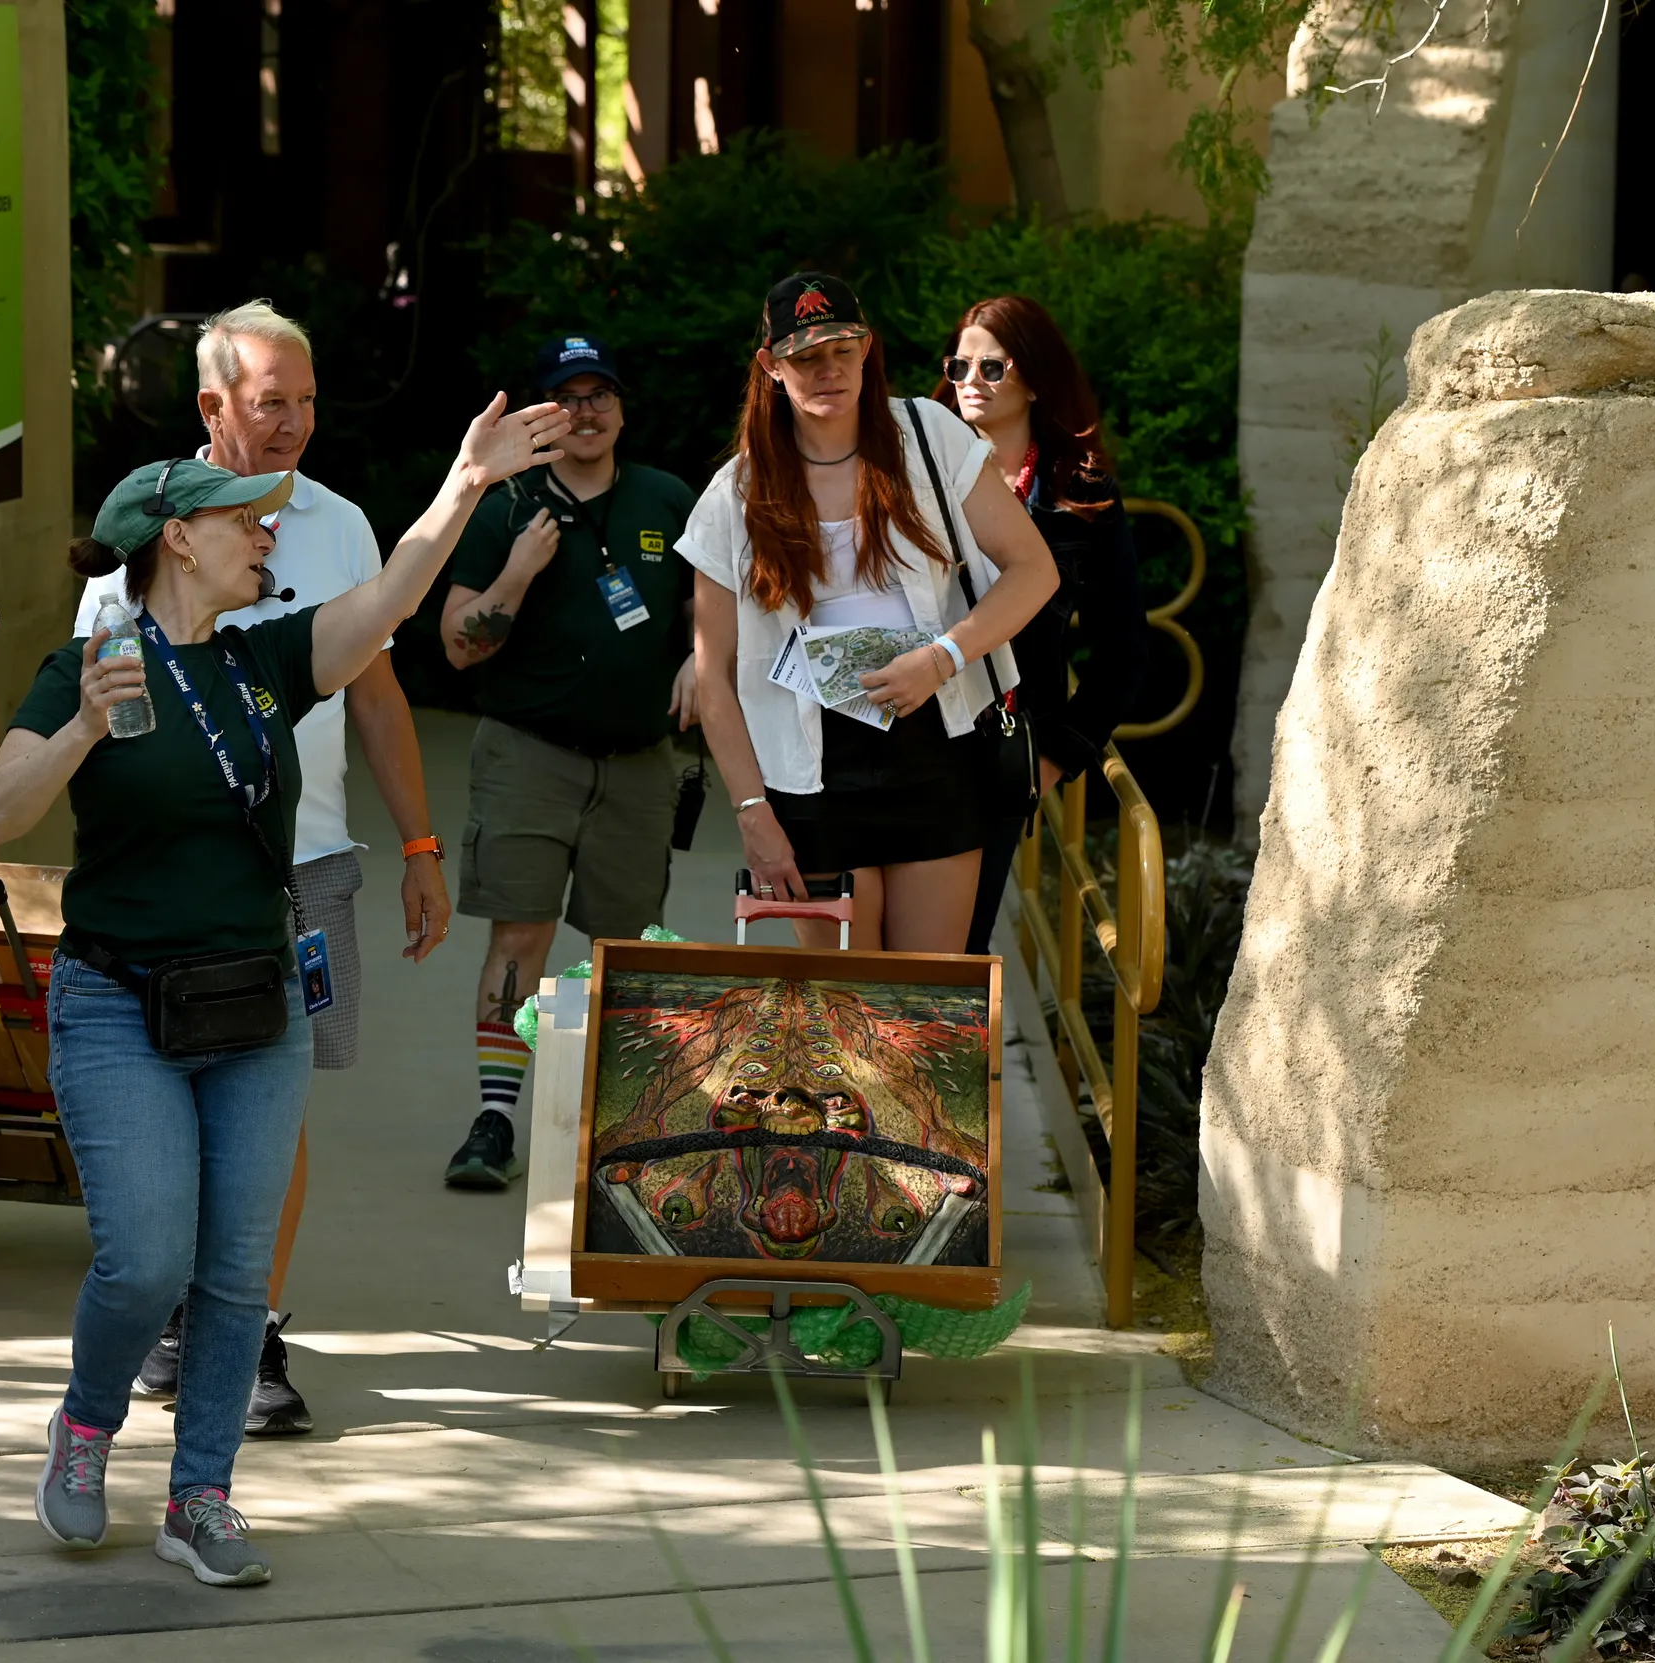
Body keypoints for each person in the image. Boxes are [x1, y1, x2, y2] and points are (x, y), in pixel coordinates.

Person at [0, 396, 569, 1587]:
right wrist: (84, 729)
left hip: (254, 1003)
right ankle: (86, 1424)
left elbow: (395, 593)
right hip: (116, 1003)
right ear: (176, 539)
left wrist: (462, 484)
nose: (266, 537)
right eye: (245, 524)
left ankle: (200, 1497)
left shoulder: (266, 658)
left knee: (236, 1274)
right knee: (144, 1262)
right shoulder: (89, 666)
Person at [73, 301, 452, 1436]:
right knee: (178, 1114)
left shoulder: (340, 524)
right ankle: (183, 1314)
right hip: (176, 884)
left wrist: (421, 847)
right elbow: (94, 707)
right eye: (269, 401)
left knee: (272, 1115)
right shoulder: (151, 523)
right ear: (212, 408)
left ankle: (248, 1322)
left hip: (309, 872)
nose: (293, 421)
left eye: (306, 398)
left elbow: (376, 691)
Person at [682, 273, 1058, 952]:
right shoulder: (732, 496)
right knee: (847, 1018)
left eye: (842, 349)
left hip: (936, 751)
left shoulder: (928, 434)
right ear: (771, 367)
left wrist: (943, 656)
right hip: (809, 773)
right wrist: (751, 812)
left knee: (923, 1013)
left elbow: (1035, 571)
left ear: (867, 349)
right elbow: (715, 677)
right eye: (805, 356)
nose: (828, 369)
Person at [434, 334, 698, 1189]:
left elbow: (713, 606)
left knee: (628, 947)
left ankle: (614, 1127)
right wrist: (516, 573)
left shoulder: (667, 498)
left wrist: (702, 656)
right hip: (528, 753)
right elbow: (459, 647)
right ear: (545, 413)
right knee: (520, 933)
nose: (586, 411)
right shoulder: (505, 505)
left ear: (621, 407)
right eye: (568, 397)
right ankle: (495, 1120)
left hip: (638, 762)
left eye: (600, 395)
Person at [934, 296, 1147, 953]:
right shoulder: (914, 472)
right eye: (960, 364)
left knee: (959, 951)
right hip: (899, 735)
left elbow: (1123, 647)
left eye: (992, 368)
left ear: (1034, 379)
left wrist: (1054, 755)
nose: (970, 381)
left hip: (996, 753)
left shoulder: (1079, 498)